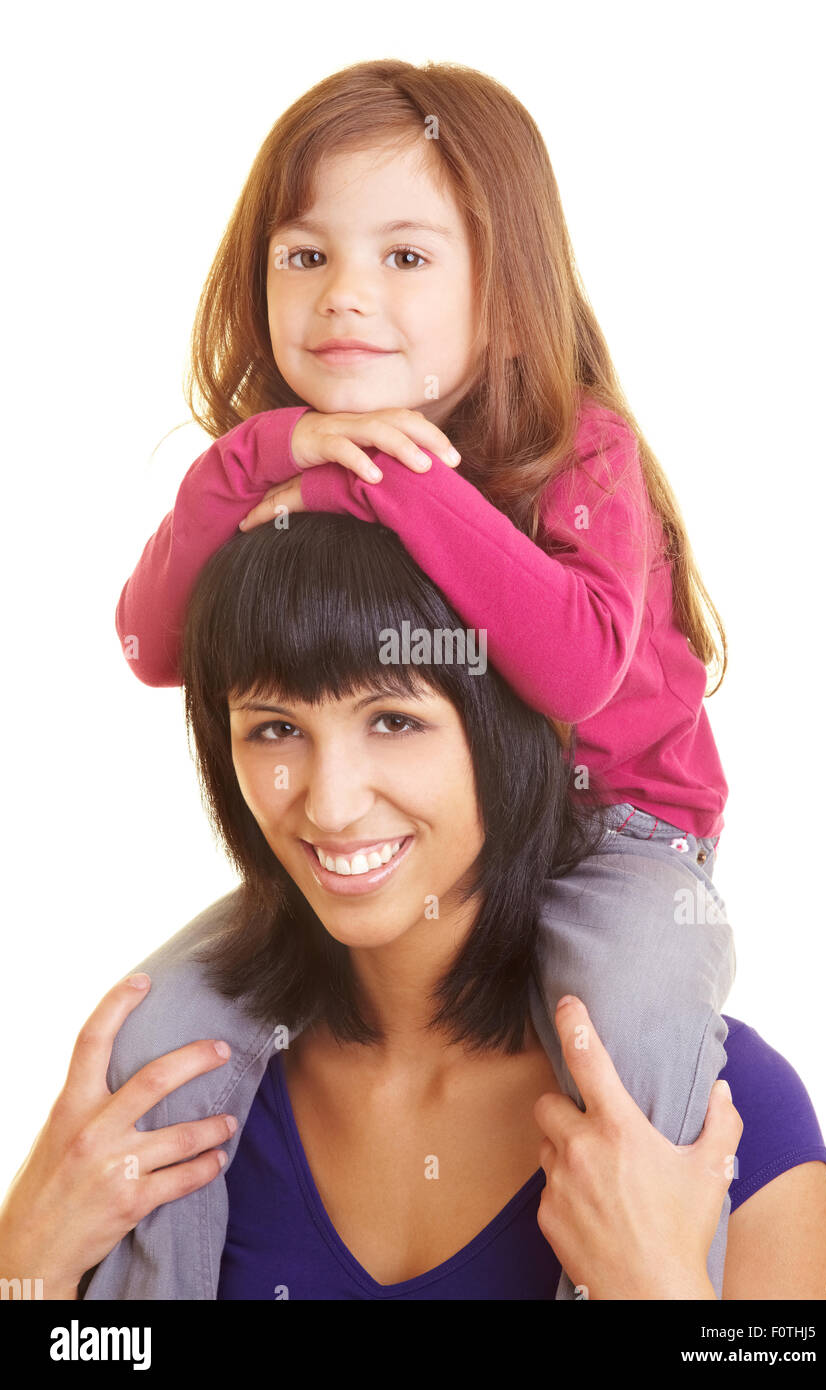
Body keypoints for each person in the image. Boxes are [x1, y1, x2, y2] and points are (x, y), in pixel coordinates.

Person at [118, 59, 740, 1277]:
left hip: (619, 836)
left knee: (630, 1009)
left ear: (503, 293)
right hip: (413, 858)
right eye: (305, 256)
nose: (345, 295)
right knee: (161, 1023)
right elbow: (153, 642)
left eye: (405, 257)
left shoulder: (579, 450)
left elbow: (564, 672)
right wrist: (258, 458)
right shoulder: (280, 455)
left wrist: (381, 476)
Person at [0, 514, 826, 1300]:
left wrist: (659, 1284)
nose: (328, 805)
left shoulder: (725, 1127)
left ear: (513, 732)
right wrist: (25, 1258)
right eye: (274, 729)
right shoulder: (161, 1113)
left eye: (395, 721)